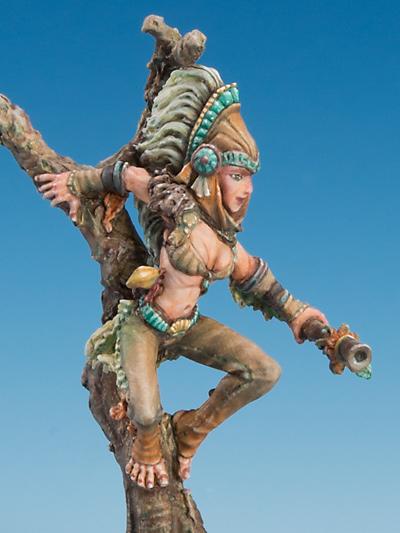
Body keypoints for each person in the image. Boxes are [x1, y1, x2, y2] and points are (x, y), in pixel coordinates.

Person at [35, 66, 328, 490]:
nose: (247, 189)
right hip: (145, 324)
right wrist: (75, 184)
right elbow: (125, 175)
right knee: (146, 414)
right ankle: (147, 447)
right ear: (210, 170)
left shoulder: (226, 241)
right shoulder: (176, 206)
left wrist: (299, 315)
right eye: (237, 176)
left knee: (264, 372)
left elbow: (259, 281)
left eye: (249, 179)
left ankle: (190, 432)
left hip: (187, 327)